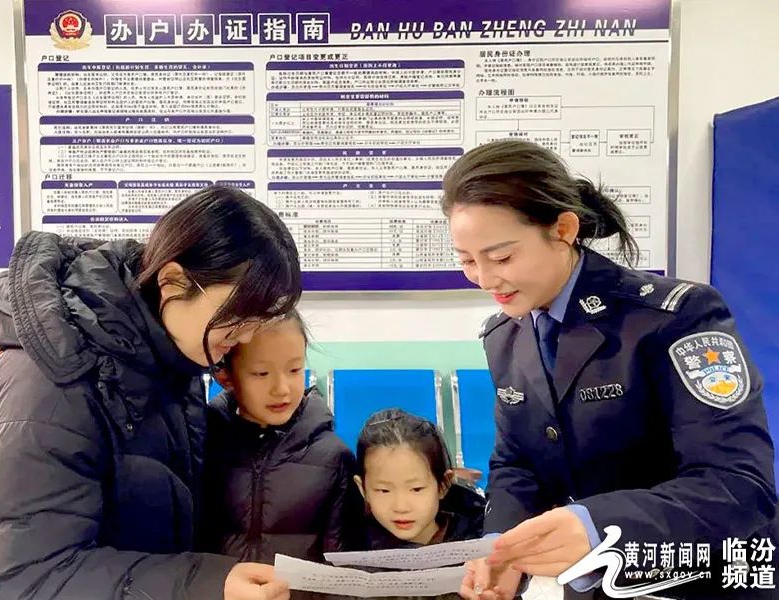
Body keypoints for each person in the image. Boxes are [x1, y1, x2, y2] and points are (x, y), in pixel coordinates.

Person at [0, 186, 301, 600]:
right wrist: (205, 583)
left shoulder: (170, 359)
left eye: (260, 319)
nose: (248, 335)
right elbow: (31, 579)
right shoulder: (48, 383)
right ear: (173, 282)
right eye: (238, 315)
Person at [442, 140, 777, 600]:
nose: (484, 278)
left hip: (704, 581)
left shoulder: (674, 318)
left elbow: (739, 485)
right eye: (466, 261)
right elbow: (517, 463)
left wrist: (596, 525)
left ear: (563, 229)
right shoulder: (505, 337)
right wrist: (500, 549)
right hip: (596, 585)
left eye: (501, 257)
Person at [200, 309, 358, 564]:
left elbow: (340, 559)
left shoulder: (334, 457)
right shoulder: (203, 445)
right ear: (224, 376)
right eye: (261, 373)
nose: (282, 389)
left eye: (294, 370)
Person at [351, 409, 486, 600]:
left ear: (443, 484)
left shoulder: (482, 549)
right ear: (362, 488)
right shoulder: (350, 555)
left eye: (416, 489)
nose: (401, 507)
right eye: (383, 490)